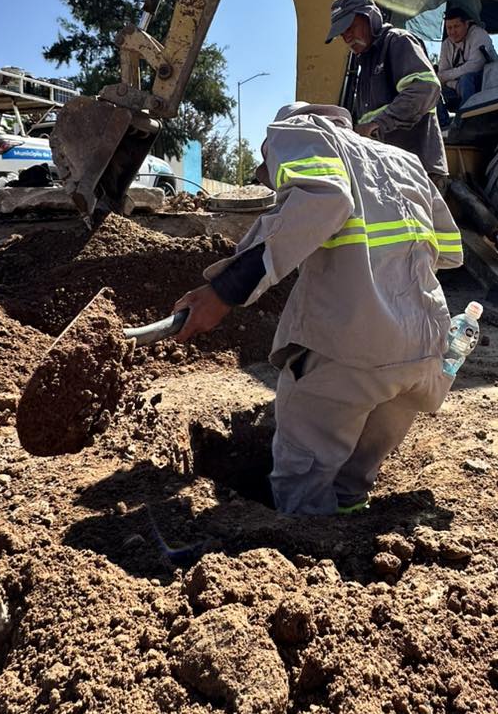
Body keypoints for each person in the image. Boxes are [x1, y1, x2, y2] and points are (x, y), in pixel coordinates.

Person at [174, 102, 463, 517]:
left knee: (302, 490)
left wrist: (223, 291)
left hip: (352, 350)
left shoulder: (300, 132)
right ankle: (348, 523)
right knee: (352, 481)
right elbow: (449, 251)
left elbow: (324, 201)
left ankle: (303, 545)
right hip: (424, 355)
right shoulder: (404, 160)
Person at [324, 0, 447, 183]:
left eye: (350, 27)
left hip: (418, 171)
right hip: (388, 172)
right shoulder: (365, 65)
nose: (347, 37)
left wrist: (379, 124)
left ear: (370, 17)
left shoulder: (398, 41)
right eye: (342, 33)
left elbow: (425, 88)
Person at [437, 7, 498, 127]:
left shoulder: (479, 35)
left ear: (466, 24)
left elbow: (474, 67)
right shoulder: (446, 44)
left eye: (456, 26)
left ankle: (466, 121)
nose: (452, 32)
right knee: (432, 85)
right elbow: (441, 75)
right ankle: (443, 124)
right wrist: (454, 84)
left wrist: (449, 79)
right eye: (449, 28)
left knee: (467, 79)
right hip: (457, 87)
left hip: (486, 84)